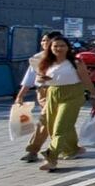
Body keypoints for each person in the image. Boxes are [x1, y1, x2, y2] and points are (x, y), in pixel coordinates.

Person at [34, 36, 95, 172]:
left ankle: (51, 158)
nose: (58, 48)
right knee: (54, 126)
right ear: (50, 48)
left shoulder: (76, 62)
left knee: (60, 127)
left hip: (73, 94)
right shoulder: (46, 62)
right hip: (53, 94)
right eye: (55, 46)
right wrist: (41, 80)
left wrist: (93, 96)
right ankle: (73, 149)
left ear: (68, 47)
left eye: (62, 46)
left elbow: (86, 80)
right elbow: (39, 81)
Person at [13, 31, 65, 163]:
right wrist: (20, 96)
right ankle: (71, 147)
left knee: (45, 120)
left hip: (59, 92)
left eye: (47, 40)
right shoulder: (37, 58)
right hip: (42, 93)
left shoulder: (64, 58)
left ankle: (33, 151)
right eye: (42, 40)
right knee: (57, 122)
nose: (44, 43)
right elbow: (28, 80)